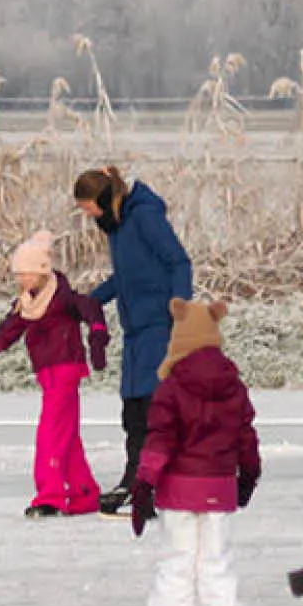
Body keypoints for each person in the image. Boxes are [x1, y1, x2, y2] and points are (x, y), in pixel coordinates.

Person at [130, 299, 261, 606]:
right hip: (218, 490)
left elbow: (159, 441)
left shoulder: (171, 388)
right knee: (217, 565)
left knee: (178, 565)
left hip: (178, 493)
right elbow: (245, 439)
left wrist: (143, 485)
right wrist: (249, 475)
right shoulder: (234, 387)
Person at [0, 231, 111, 518]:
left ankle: (49, 496)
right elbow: (4, 334)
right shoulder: (26, 304)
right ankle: (84, 493)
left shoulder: (63, 298)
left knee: (50, 434)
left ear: (40, 271)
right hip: (48, 377)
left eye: (26, 274)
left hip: (65, 372)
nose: (21, 280)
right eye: (18, 275)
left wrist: (98, 338)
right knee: (67, 436)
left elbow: (92, 309)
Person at [73, 167, 194, 515]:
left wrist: (180, 306)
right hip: (135, 329)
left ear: (102, 198)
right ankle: (137, 480)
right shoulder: (117, 225)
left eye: (87, 207)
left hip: (159, 323)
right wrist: (91, 299)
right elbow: (125, 277)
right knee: (133, 409)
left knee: (152, 406)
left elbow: (179, 261)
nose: (87, 214)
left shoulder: (143, 218)